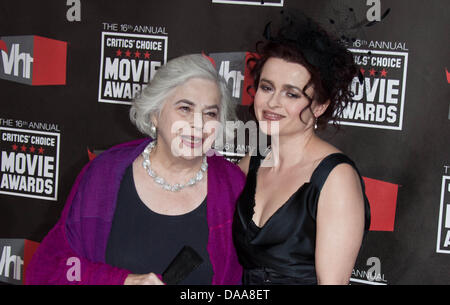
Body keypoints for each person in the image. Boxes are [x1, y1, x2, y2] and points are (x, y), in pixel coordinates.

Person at [25, 54, 245, 285]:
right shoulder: (104, 176)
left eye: (210, 113)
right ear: (155, 114)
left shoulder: (233, 187)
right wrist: (121, 281)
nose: (198, 124)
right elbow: (52, 268)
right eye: (185, 108)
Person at [232, 12, 371, 285]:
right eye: (267, 87)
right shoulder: (252, 162)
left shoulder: (335, 178)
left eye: (291, 93)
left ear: (320, 106)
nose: (273, 103)